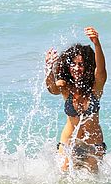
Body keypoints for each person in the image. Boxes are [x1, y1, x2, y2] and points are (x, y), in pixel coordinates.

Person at [45, 27, 107, 172]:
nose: (76, 68)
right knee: (63, 180)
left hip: (93, 145)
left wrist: (97, 44)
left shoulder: (95, 87)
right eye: (73, 64)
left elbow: (101, 70)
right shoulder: (66, 87)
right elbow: (52, 89)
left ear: (88, 66)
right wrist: (48, 70)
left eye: (81, 64)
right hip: (68, 144)